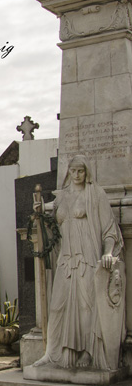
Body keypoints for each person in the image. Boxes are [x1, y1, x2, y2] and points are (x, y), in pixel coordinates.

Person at [33, 155, 125, 370]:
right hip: (66, 258)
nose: (76, 175)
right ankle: (52, 352)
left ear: (87, 172)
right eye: (73, 171)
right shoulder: (63, 197)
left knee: (86, 306)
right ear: (68, 172)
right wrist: (40, 210)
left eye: (80, 171)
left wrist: (108, 253)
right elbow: (50, 216)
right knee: (57, 307)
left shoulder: (96, 194)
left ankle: (87, 351)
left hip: (87, 256)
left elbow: (109, 229)